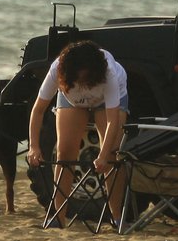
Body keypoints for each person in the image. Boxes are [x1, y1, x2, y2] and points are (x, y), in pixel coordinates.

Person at [25, 39, 130, 225]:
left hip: (106, 102)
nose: (81, 83)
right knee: (64, 152)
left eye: (85, 78)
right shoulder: (57, 69)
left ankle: (116, 217)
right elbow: (38, 110)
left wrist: (103, 156)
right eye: (77, 79)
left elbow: (113, 120)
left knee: (113, 153)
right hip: (72, 100)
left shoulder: (110, 74)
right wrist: (34, 147)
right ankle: (58, 216)